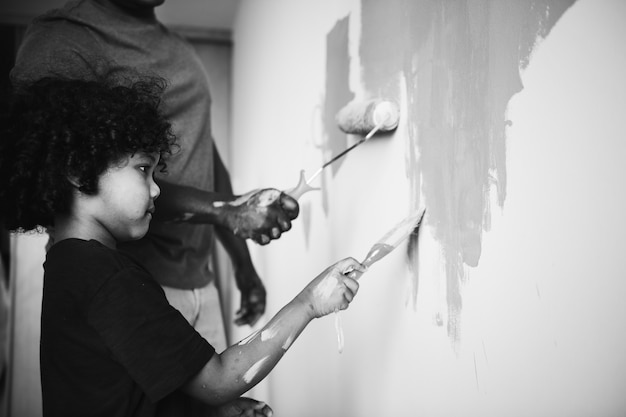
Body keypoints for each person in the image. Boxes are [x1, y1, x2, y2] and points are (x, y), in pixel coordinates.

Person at [0, 75, 363, 417]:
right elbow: (219, 380)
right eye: (143, 169)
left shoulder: (69, 266)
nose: (157, 189)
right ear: (79, 171)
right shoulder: (107, 278)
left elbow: (126, 392)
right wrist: (309, 302)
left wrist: (206, 413)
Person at [10, 0, 297, 357]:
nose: (153, 182)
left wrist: (243, 263)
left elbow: (204, 153)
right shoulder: (64, 36)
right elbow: (50, 164)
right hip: (123, 283)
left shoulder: (179, 48)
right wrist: (224, 209)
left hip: (199, 280)